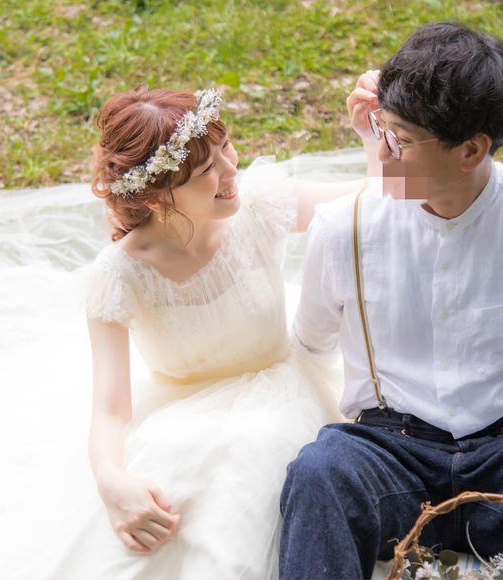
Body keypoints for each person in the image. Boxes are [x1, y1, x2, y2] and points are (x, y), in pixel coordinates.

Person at [46, 85, 378, 579]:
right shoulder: (120, 275)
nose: (230, 171)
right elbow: (111, 411)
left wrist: (373, 138)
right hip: (185, 419)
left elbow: (377, 199)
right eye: (206, 171)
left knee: (257, 456)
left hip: (289, 396)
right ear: (157, 194)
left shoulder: (259, 205)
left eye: (226, 148)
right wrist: (112, 480)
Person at [280, 21, 503, 579]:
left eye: (399, 139)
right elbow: (308, 345)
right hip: (390, 452)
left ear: (471, 149)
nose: (381, 151)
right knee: (321, 471)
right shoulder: (346, 227)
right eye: (383, 128)